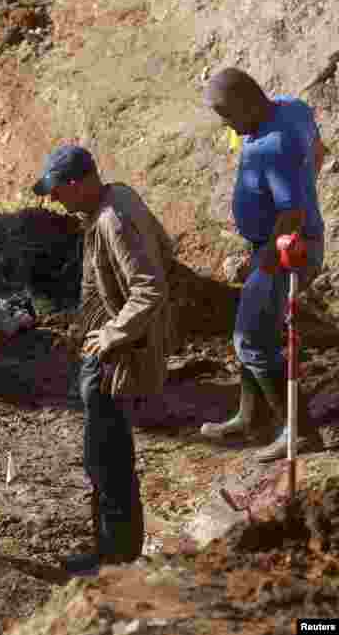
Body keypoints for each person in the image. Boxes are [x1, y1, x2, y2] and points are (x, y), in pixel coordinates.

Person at [32, 144, 176, 575]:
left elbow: (149, 285)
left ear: (77, 184)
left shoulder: (114, 219)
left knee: (105, 456)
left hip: (114, 356)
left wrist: (114, 333)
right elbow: (165, 250)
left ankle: (115, 559)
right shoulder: (121, 197)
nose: (55, 201)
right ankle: (117, 550)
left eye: (58, 192)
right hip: (112, 346)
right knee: (109, 452)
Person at [201, 68, 327, 462]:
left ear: (247, 102)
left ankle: (301, 432)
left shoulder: (271, 145)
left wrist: (267, 264)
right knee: (255, 327)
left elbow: (289, 214)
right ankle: (251, 417)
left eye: (226, 113)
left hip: (287, 249)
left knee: (252, 339)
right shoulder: (293, 108)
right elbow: (320, 152)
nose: (224, 123)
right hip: (283, 243)